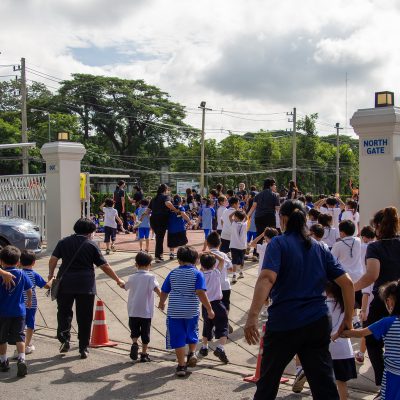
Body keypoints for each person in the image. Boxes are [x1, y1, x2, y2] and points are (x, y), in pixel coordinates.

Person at [244, 200, 355, 400]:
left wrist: (252, 316)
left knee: (268, 383)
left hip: (284, 322)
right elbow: (347, 283)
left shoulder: (278, 243)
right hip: (317, 322)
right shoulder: (320, 247)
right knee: (324, 386)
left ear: (283, 219)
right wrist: (348, 318)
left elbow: (267, 278)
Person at [49, 218, 125, 359]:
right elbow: (104, 265)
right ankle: (83, 347)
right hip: (86, 285)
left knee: (64, 312)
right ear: (90, 232)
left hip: (65, 283)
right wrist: (117, 279)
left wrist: (50, 274)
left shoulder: (63, 242)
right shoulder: (91, 245)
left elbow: (53, 259)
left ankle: (64, 338)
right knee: (85, 316)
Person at [353, 207, 400, 396]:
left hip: (383, 300)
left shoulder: (375, 247)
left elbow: (372, 275)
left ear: (378, 226)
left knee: (372, 340)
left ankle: (383, 382)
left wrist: (350, 288)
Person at [158, 246, 215, 377]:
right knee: (192, 331)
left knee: (178, 337)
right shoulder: (197, 274)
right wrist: (209, 308)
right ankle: (192, 353)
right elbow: (201, 292)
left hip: (174, 311)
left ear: (178, 260)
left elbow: (164, 291)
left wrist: (161, 303)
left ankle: (181, 366)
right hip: (191, 311)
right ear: (196, 260)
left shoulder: (173, 273)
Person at [343, 279, 400, 400]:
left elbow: (360, 333)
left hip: (392, 375)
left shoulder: (387, 322)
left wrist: (340, 332)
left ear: (390, 301)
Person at [0, 246, 32, 377]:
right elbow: (29, 289)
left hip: (2, 312)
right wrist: (29, 300)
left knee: (1, 338)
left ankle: (3, 361)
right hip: (19, 312)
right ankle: (22, 359)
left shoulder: (1, 275)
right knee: (20, 336)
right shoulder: (22, 274)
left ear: (1, 261)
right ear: (18, 261)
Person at [124, 252, 160, 362]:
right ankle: (144, 354)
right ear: (150, 265)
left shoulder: (132, 277)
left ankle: (135, 343)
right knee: (145, 333)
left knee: (134, 330)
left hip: (133, 310)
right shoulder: (151, 277)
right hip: (146, 311)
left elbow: (125, 286)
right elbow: (157, 289)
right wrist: (162, 299)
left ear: (136, 265)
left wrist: (120, 282)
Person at [326, 281, 357, 400]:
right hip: (344, 349)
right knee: (342, 383)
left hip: (327, 348)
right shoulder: (345, 305)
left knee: (325, 382)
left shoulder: (324, 304)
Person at [19, 250, 53, 355]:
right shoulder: (34, 275)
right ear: (34, 262)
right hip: (31, 304)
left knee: (20, 326)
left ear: (20, 262)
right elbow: (46, 286)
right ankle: (27, 345)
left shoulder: (18, 273)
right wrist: (52, 279)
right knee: (30, 324)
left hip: (19, 304)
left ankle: (19, 347)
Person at [198, 252, 229, 364]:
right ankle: (220, 347)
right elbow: (222, 260)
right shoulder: (216, 272)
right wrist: (213, 253)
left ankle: (204, 347)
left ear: (201, 265)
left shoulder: (200, 275)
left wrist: (200, 257)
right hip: (218, 304)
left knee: (207, 326)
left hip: (205, 305)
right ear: (213, 264)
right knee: (223, 327)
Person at [331, 220, 364, 321]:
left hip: (344, 278)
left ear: (342, 232)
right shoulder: (358, 241)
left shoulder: (338, 245)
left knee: (344, 303)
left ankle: (347, 321)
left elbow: (331, 261)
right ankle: (356, 320)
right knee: (357, 301)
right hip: (359, 277)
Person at [355, 226, 376, 365]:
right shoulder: (376, 247)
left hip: (369, 306)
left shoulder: (362, 247)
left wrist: (363, 310)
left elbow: (366, 293)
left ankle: (361, 354)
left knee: (366, 331)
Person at [206, 232, 233, 332]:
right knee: (226, 304)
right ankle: (225, 321)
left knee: (212, 306)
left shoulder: (206, 255)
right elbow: (231, 269)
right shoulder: (224, 255)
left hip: (211, 286)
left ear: (207, 243)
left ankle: (214, 325)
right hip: (225, 285)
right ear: (220, 243)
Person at [148, 184, 179, 263]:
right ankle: (158, 256)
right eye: (167, 189)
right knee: (159, 238)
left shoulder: (154, 198)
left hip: (153, 220)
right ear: (165, 190)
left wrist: (141, 218)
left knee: (159, 238)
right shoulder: (166, 196)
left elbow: (148, 210)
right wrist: (176, 210)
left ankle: (159, 255)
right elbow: (168, 203)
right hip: (161, 219)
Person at [167, 195, 191, 260]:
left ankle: (171, 254)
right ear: (180, 201)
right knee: (183, 242)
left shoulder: (170, 208)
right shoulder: (180, 207)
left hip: (171, 228)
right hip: (180, 228)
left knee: (172, 243)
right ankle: (183, 254)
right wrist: (189, 220)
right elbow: (183, 214)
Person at [229, 210, 248, 284]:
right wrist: (243, 212)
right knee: (242, 260)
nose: (234, 218)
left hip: (234, 245)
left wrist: (236, 211)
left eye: (235, 217)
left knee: (234, 260)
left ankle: (234, 275)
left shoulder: (233, 223)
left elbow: (229, 216)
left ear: (237, 217)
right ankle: (241, 272)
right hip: (242, 246)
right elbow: (246, 218)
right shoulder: (245, 224)